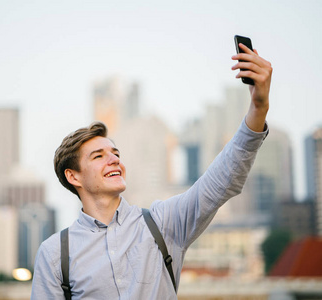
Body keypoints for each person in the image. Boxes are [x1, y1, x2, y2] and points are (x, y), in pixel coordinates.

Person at [31, 43, 272, 299]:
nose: (113, 160)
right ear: (73, 176)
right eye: (99, 156)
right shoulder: (55, 254)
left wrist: (258, 108)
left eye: (115, 154)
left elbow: (220, 181)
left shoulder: (162, 224)